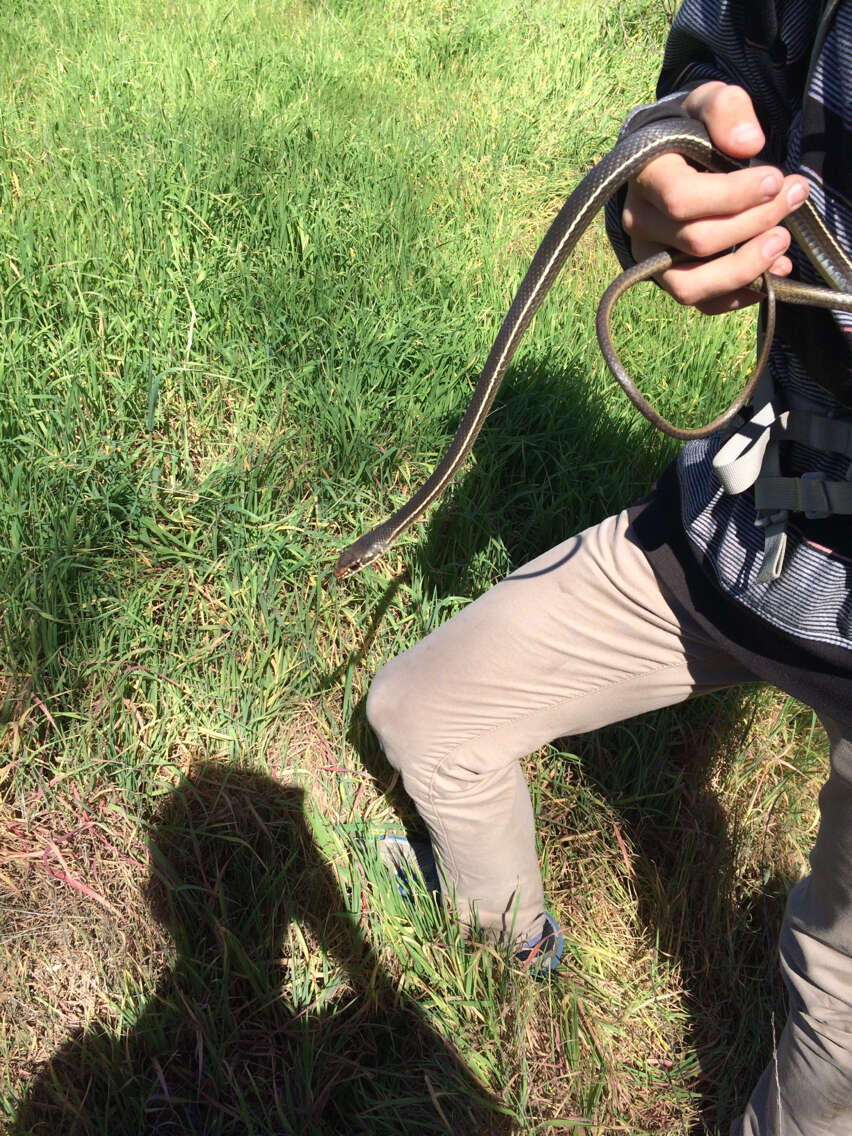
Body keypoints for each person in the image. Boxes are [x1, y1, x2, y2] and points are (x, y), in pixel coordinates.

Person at [365, 2, 851, 1134]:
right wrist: (669, 163)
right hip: (749, 522)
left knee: (834, 1029)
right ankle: (513, 950)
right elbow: (722, 62)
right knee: (422, 710)